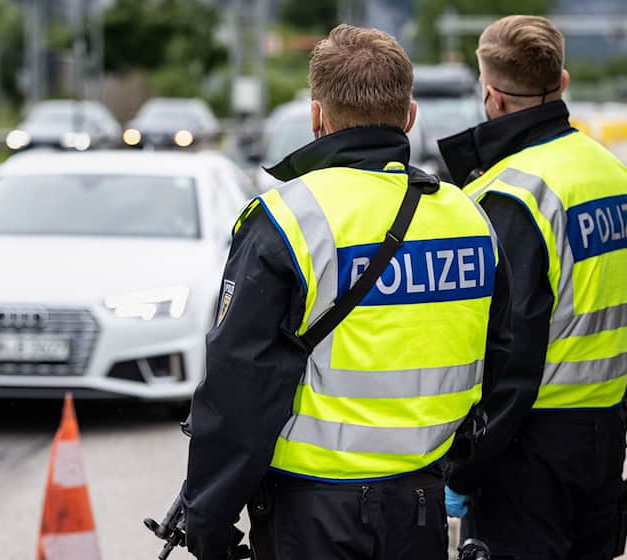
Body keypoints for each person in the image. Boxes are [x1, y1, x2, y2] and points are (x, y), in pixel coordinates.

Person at [182, 24, 521, 560]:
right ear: (410, 116)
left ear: (318, 117)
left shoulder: (288, 219)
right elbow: (503, 358)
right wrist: (462, 471)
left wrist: (208, 519)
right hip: (420, 504)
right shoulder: (470, 218)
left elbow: (239, 387)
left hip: (312, 516)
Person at [438, 15, 627, 559]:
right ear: (562, 83)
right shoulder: (618, 177)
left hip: (527, 450)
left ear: (491, 95)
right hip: (603, 433)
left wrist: (466, 467)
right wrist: (621, 410)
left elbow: (511, 351)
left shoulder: (511, 197)